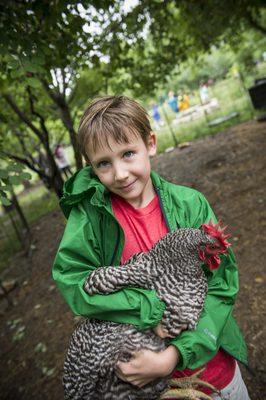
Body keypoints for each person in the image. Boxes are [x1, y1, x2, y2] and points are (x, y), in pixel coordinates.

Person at [52, 95, 250, 399]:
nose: (119, 173)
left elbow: (221, 287)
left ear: (151, 144)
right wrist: (151, 311)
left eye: (128, 153)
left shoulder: (190, 204)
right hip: (142, 383)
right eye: (104, 163)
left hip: (212, 365)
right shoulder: (91, 219)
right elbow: (74, 280)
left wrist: (172, 357)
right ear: (90, 166)